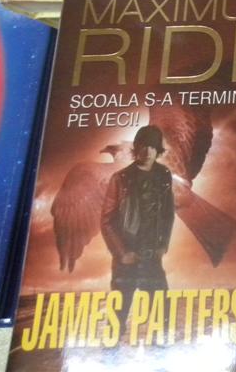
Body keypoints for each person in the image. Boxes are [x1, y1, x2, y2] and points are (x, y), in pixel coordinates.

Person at [100, 125, 175, 330]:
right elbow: (106, 220)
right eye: (144, 146)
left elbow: (168, 214)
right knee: (117, 317)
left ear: (158, 150)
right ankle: (112, 345)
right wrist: (123, 253)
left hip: (152, 257)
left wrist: (163, 245)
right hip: (126, 257)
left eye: (153, 147)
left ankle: (160, 347)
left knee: (162, 315)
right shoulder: (120, 178)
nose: (148, 151)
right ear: (136, 148)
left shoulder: (164, 175)